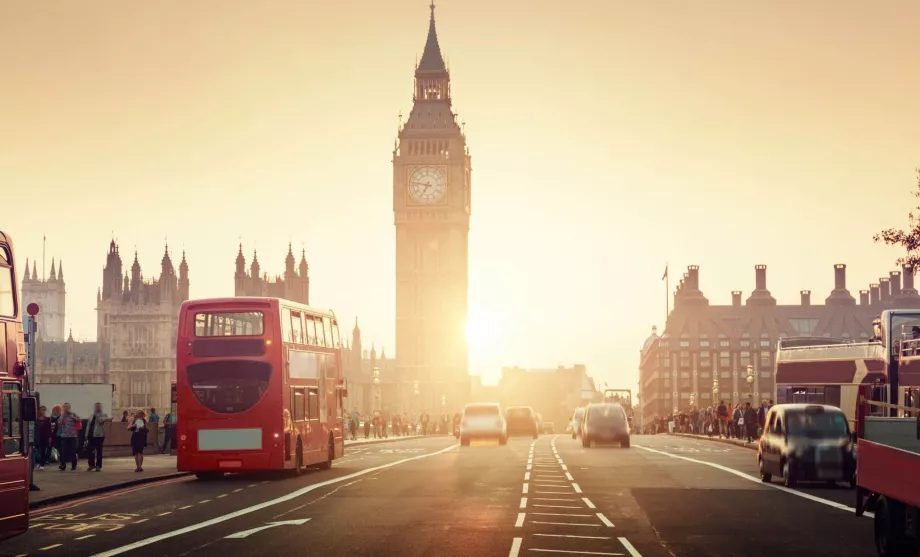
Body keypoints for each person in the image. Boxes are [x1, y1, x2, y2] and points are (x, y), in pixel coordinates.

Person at [86, 402, 111, 471]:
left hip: (99, 435)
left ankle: (98, 465)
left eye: (98, 407)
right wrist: (86, 434)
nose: (97, 408)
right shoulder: (91, 415)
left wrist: (97, 416)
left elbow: (101, 421)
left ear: (100, 407)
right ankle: (91, 464)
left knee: (99, 451)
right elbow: (88, 425)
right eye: (96, 407)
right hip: (91, 435)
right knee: (90, 450)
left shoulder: (104, 415)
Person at [58, 403, 81, 471]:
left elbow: (79, 420)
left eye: (67, 407)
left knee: (72, 451)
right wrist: (62, 417)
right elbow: (59, 425)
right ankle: (63, 465)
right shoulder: (62, 416)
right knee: (63, 451)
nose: (66, 408)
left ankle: (74, 465)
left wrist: (73, 417)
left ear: (69, 407)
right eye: (64, 407)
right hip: (64, 436)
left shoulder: (73, 414)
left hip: (73, 436)